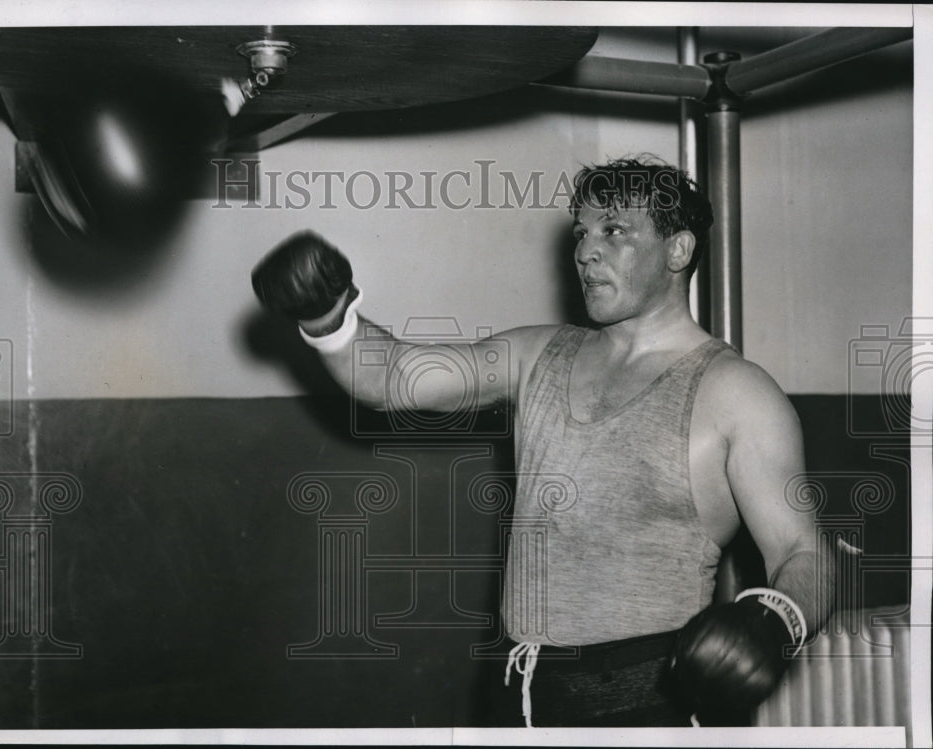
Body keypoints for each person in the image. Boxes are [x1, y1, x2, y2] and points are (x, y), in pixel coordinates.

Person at [250, 156, 834, 728]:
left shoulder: (736, 392)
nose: (585, 251)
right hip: (519, 688)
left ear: (677, 250)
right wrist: (331, 320)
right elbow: (391, 378)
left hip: (653, 700)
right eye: (582, 232)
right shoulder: (540, 353)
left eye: (614, 231)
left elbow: (802, 551)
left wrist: (775, 619)